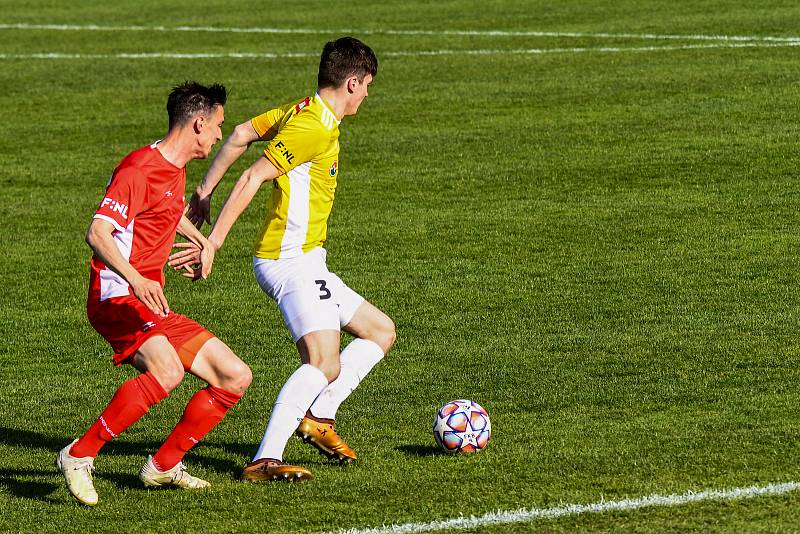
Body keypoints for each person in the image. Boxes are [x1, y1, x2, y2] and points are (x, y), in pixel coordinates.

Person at [178, 37, 395, 481]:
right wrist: (213, 241)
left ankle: (318, 416)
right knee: (323, 362)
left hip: (310, 259)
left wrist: (202, 192)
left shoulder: (303, 111)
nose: (368, 95)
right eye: (367, 85)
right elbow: (255, 174)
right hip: (289, 259)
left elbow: (239, 134)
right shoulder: (311, 126)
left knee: (380, 331)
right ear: (351, 83)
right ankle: (265, 459)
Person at [57, 82, 252, 506]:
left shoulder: (174, 167)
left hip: (149, 301)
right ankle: (78, 455)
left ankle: (163, 467)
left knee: (234, 376)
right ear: (198, 123)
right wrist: (137, 278)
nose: (220, 135)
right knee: (168, 370)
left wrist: (203, 242)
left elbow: (165, 210)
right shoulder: (139, 170)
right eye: (217, 126)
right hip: (116, 297)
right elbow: (97, 232)